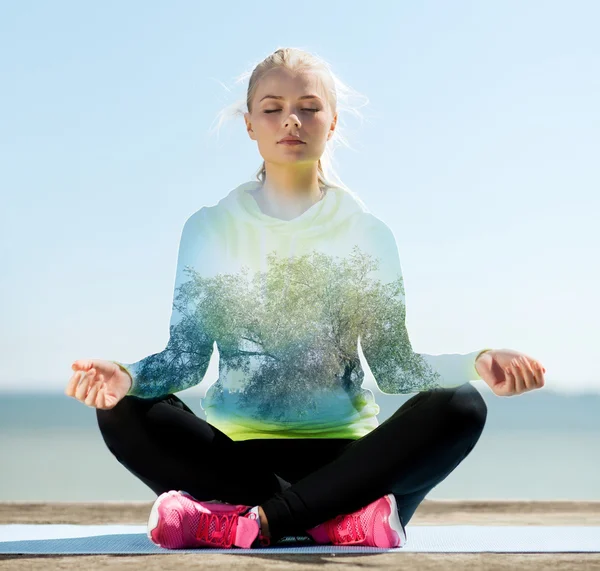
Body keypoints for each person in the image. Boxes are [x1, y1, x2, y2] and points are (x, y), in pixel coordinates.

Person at [65, 47, 546, 550]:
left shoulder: (365, 234)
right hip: (235, 460)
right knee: (122, 408)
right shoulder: (209, 230)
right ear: (250, 124)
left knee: (462, 405)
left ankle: (248, 522)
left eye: (309, 107)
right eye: (272, 108)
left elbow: (395, 368)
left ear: (332, 122)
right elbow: (184, 360)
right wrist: (126, 376)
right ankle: (327, 522)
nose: (290, 120)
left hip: (352, 467)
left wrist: (479, 361)